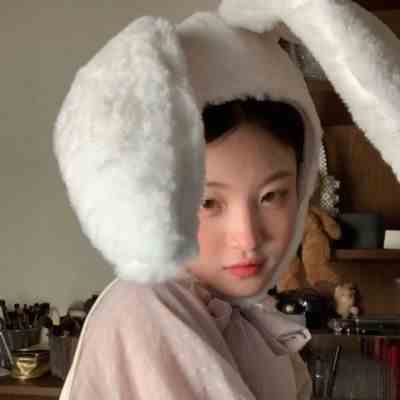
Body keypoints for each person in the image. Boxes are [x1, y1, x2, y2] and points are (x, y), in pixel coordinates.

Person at [54, 1, 400, 399]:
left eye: (271, 196)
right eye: (208, 203)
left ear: (303, 184)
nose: (248, 237)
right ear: (160, 196)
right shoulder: (148, 308)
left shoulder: (249, 312)